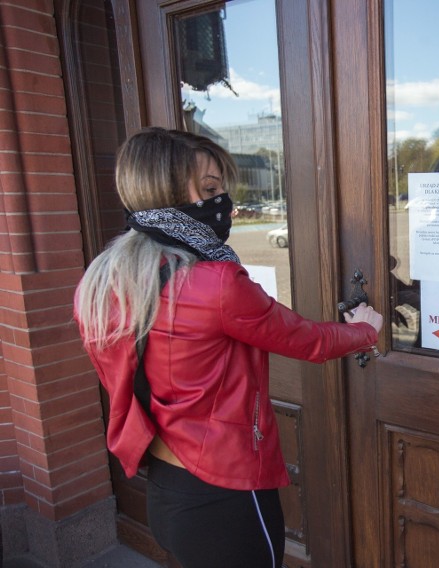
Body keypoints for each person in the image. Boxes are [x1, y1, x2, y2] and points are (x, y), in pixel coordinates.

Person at [74, 127, 383, 568]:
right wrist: (365, 330)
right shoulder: (215, 283)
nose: (225, 204)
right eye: (211, 189)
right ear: (164, 189)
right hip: (225, 491)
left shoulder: (104, 280)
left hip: (165, 484)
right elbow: (307, 340)